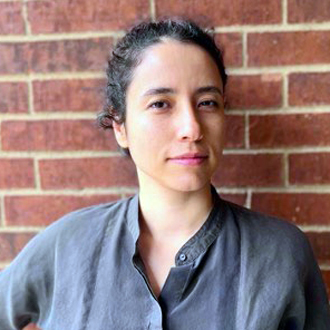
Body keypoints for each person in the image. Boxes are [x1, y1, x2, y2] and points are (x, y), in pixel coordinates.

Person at [0, 18, 329, 330]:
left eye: (208, 102)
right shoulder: (68, 245)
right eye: (160, 103)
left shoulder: (281, 253)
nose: (191, 128)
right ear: (120, 127)